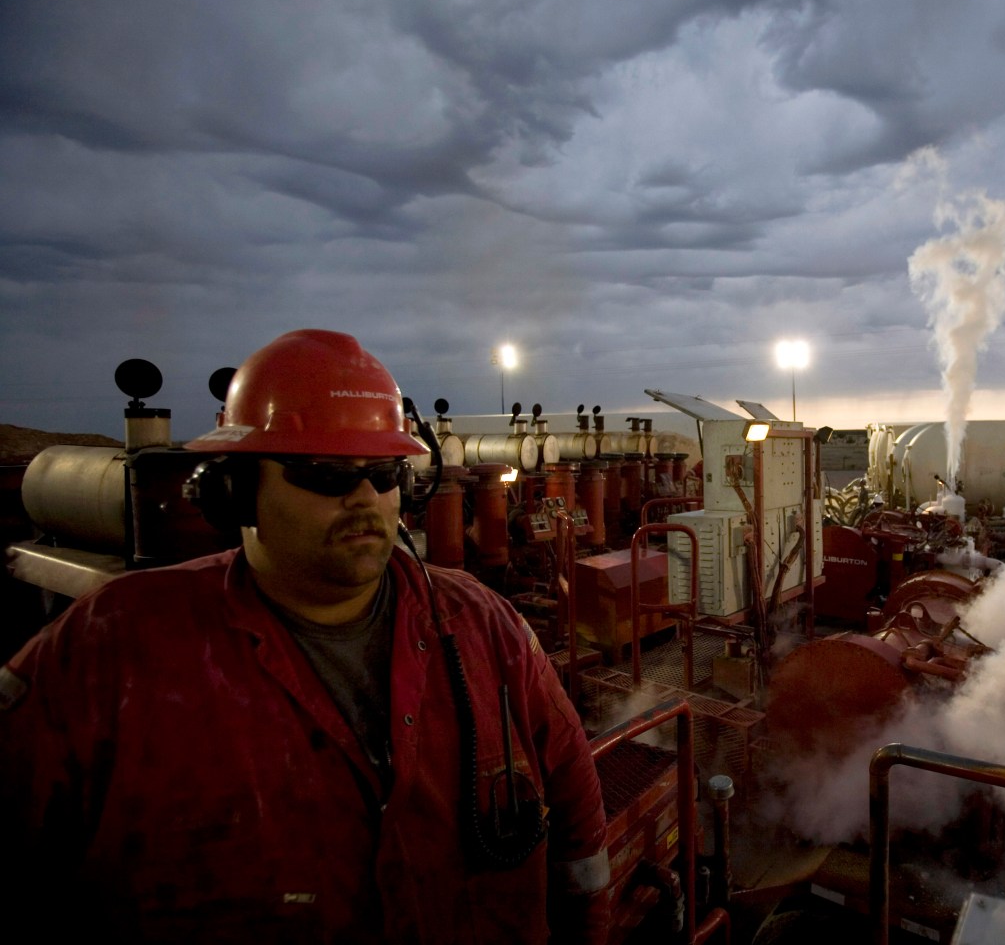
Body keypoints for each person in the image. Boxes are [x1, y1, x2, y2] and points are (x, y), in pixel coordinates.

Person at [0, 329, 611, 943]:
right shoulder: (110, 650)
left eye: (384, 472)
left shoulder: (482, 623)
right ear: (235, 490)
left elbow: (577, 810)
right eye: (325, 475)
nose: (365, 499)